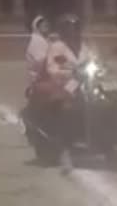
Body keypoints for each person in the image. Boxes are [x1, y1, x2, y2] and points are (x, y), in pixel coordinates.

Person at [41, 14, 93, 174]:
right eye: (69, 28)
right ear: (64, 31)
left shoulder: (86, 47)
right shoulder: (58, 47)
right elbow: (53, 68)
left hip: (88, 83)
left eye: (76, 28)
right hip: (66, 84)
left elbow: (95, 62)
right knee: (69, 107)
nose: (73, 32)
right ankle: (66, 150)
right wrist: (70, 73)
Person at [25, 15, 51, 87]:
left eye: (46, 25)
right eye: (43, 25)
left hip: (46, 74)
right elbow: (41, 61)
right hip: (40, 77)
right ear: (37, 27)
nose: (46, 25)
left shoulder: (45, 39)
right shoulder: (37, 41)